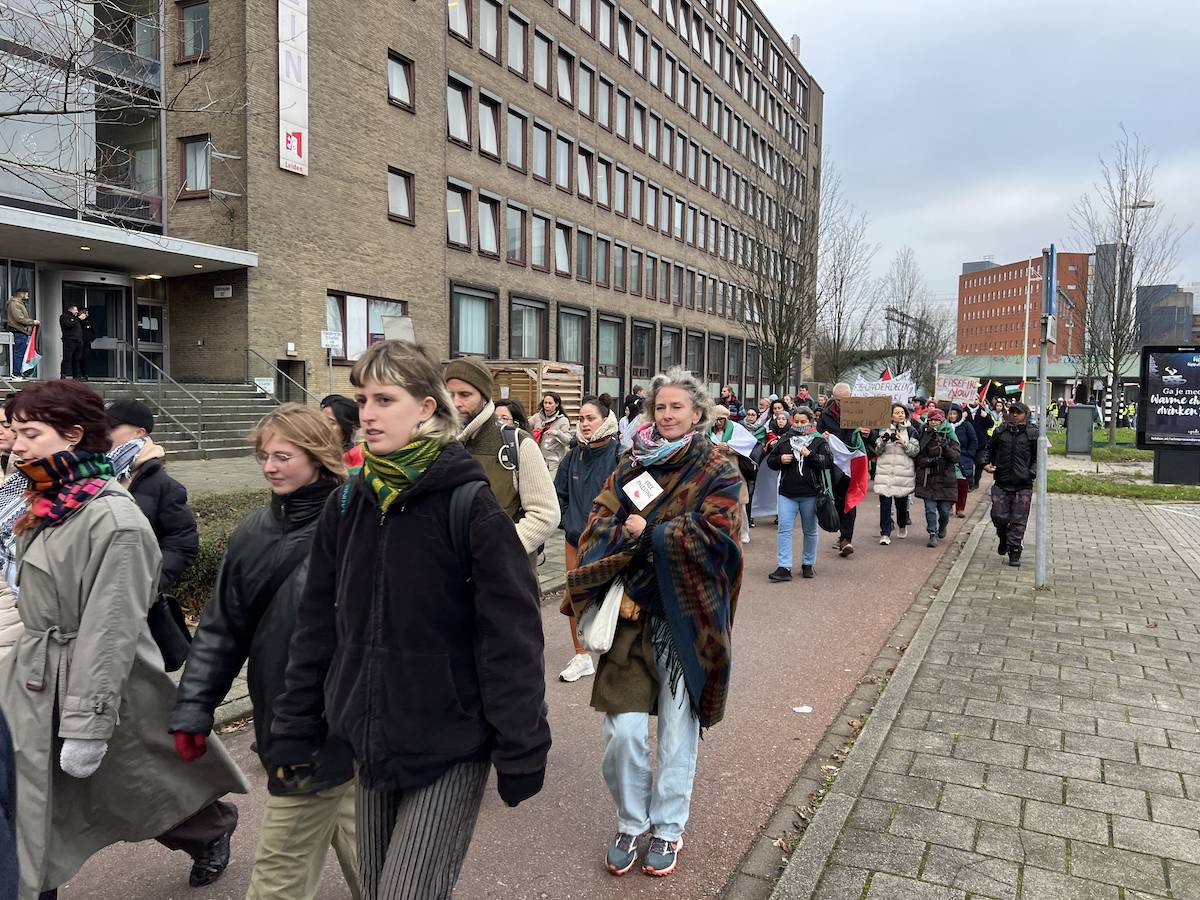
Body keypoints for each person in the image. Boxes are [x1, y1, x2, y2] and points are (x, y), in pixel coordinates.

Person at [270, 340, 550, 900]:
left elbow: (511, 637)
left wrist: (522, 745)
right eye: (362, 398)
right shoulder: (348, 502)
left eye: (384, 399)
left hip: (448, 739)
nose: (366, 413)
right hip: (370, 735)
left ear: (427, 407)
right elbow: (318, 625)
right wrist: (296, 723)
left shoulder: (469, 505)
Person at [0, 380, 246, 899]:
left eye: (29, 433)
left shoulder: (113, 518)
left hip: (99, 683)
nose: (15, 444)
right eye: (14, 432)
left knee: (140, 784)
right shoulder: (46, 501)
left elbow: (109, 631)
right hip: (37, 675)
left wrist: (87, 723)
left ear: (71, 435)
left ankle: (210, 829)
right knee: (34, 806)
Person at [170, 405, 359, 900]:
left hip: (343, 723)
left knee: (287, 874)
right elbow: (222, 628)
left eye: (284, 455)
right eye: (264, 455)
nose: (270, 466)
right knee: (368, 862)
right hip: (286, 719)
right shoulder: (253, 530)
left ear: (318, 457)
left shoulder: (359, 527)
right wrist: (194, 707)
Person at [564, 366, 742, 878]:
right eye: (659, 407)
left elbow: (720, 540)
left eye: (676, 407)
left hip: (687, 620)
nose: (666, 414)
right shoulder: (629, 465)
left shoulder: (717, 468)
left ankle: (667, 829)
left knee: (678, 735)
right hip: (631, 616)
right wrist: (633, 535)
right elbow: (599, 522)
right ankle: (630, 821)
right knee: (620, 732)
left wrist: (652, 532)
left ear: (698, 413)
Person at [105, 398, 199, 670]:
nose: (103, 433)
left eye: (112, 427)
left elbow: (183, 544)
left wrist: (149, 583)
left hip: (136, 606)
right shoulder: (93, 473)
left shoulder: (163, 485)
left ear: (140, 433)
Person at [444, 357, 559, 568]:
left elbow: (546, 515)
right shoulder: (440, 444)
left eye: (465, 395)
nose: (456, 403)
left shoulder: (518, 443)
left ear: (484, 397)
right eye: (450, 395)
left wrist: (496, 549)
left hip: (504, 580)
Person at [554, 396, 621, 684]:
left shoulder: (621, 455)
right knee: (575, 596)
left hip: (608, 542)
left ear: (606, 420)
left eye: (590, 418)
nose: (585, 423)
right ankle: (581, 656)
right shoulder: (572, 457)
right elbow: (559, 495)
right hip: (574, 538)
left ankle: (617, 655)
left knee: (609, 598)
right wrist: (569, 521)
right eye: (581, 418)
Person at [766, 405, 831, 581]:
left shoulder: (818, 441)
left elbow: (827, 462)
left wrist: (809, 455)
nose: (800, 425)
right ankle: (784, 567)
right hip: (787, 493)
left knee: (810, 530)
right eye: (797, 421)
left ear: (811, 421)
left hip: (810, 494)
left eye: (804, 421)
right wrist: (780, 459)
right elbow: (771, 461)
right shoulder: (786, 439)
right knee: (784, 530)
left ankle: (808, 564)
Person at [818, 382, 870, 557]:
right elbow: (817, 435)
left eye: (844, 400)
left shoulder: (860, 410)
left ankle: (847, 539)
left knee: (851, 499)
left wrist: (868, 433)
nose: (841, 403)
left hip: (853, 461)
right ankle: (842, 534)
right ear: (834, 398)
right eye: (838, 400)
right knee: (839, 499)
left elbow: (875, 435)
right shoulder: (826, 414)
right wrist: (822, 437)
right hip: (834, 463)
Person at [985, 402, 1039, 567]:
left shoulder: (1033, 434)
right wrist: (985, 463)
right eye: (1012, 412)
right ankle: (1003, 537)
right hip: (1001, 482)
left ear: (1026, 414)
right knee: (998, 515)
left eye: (1019, 412)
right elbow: (989, 449)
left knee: (1018, 520)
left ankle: (1015, 550)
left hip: (1023, 484)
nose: (1015, 415)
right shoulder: (1000, 431)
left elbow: (1039, 457)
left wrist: (1032, 472)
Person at [914, 408, 961, 548]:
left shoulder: (950, 435)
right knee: (930, 508)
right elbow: (918, 457)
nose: (934, 422)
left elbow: (956, 457)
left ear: (942, 421)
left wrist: (946, 448)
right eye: (931, 420)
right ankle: (932, 533)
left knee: (944, 511)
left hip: (946, 480)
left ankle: (942, 525)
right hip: (929, 478)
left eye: (937, 420)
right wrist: (930, 461)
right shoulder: (923, 434)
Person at [708, 406, 755, 544]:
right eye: (715, 420)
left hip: (734, 469)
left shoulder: (736, 428)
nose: (718, 423)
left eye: (721, 420)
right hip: (715, 469)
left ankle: (744, 532)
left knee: (740, 503)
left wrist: (729, 447)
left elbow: (750, 442)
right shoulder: (709, 429)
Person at [874, 403, 919, 545]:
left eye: (902, 412)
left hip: (903, 473)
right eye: (897, 412)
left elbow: (915, 451)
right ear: (891, 415)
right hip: (885, 472)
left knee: (901, 504)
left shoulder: (912, 431)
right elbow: (877, 451)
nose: (900, 415)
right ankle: (885, 533)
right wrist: (883, 441)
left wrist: (904, 443)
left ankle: (902, 524)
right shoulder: (883, 430)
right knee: (885, 504)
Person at [529, 391, 573, 476]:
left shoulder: (563, 420)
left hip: (554, 462)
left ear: (556, 404)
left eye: (550, 403)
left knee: (551, 487)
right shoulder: (537, 417)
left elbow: (568, 441)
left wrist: (557, 433)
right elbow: (525, 426)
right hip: (537, 459)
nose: (547, 406)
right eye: (545, 403)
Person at [949, 404, 978, 518]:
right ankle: (949, 505)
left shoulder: (966, 425)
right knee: (949, 483)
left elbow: (973, 441)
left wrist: (969, 454)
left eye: (954, 413)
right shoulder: (945, 426)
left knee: (962, 484)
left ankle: (960, 508)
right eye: (950, 413)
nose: (952, 416)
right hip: (949, 458)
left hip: (963, 458)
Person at [320, 393, 365, 469]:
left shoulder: (357, 458)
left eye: (331, 423)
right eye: (321, 421)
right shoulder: (313, 453)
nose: (324, 426)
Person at [5, 288, 37, 381]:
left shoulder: (19, 304)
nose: (28, 296)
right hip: (19, 331)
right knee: (19, 353)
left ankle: (18, 373)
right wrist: (32, 322)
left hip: (23, 331)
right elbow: (19, 318)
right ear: (21, 294)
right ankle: (16, 374)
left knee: (21, 353)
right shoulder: (15, 303)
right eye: (26, 294)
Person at [962, 397, 993, 489]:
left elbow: (991, 424)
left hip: (981, 443)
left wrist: (986, 417)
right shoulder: (964, 411)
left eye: (976, 399)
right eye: (972, 399)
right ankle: (970, 483)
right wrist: (962, 417)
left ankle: (976, 481)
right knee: (968, 464)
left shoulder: (983, 411)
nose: (974, 401)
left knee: (979, 463)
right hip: (967, 443)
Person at [58, 304, 84, 380]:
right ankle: (63, 375)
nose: (77, 312)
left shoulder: (76, 318)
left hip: (78, 341)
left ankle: (76, 376)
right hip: (69, 340)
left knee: (77, 359)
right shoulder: (64, 316)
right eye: (75, 310)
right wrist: (78, 318)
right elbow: (69, 324)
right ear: (71, 309)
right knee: (67, 358)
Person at [78, 309, 95, 381]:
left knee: (85, 358)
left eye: (85, 313)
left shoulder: (90, 321)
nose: (85, 314)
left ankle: (85, 375)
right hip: (78, 343)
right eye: (83, 313)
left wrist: (91, 339)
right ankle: (78, 375)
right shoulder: (77, 321)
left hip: (86, 343)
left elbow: (94, 331)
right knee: (78, 359)